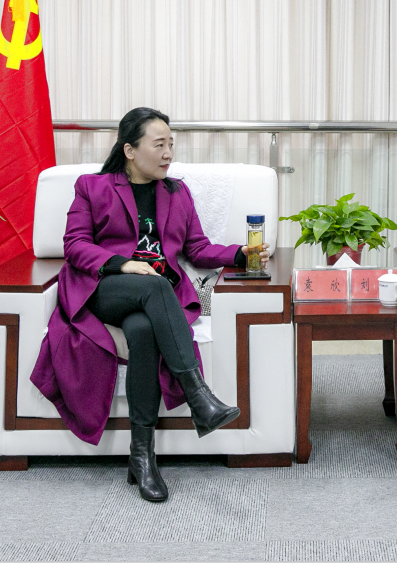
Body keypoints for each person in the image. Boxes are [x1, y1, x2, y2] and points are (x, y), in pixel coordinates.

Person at [30, 107, 270, 503]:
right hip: (104, 288)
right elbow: (74, 244)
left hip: (151, 299)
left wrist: (240, 254)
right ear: (129, 150)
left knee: (143, 330)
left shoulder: (177, 193)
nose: (168, 153)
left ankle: (141, 457)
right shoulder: (92, 187)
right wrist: (122, 263)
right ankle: (199, 396)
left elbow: (197, 248)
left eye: (171, 144)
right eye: (159, 145)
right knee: (156, 286)